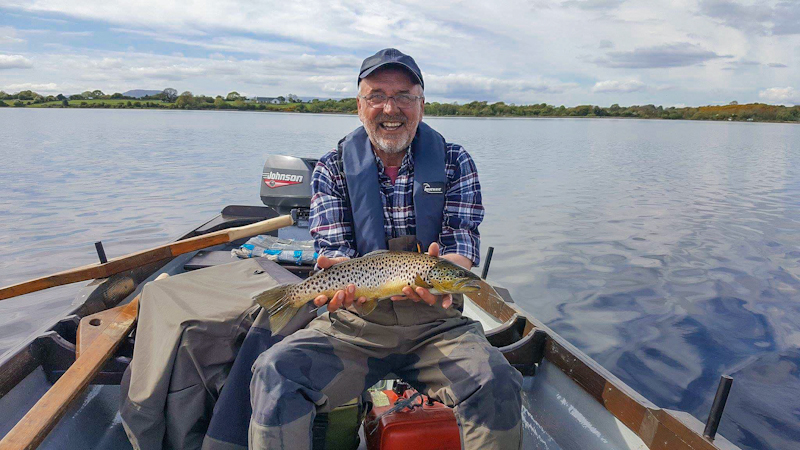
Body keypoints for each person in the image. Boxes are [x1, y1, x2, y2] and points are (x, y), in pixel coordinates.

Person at [249, 48, 523, 450]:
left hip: (436, 324)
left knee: (496, 380)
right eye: (377, 95)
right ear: (360, 106)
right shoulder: (332, 167)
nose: (390, 107)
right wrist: (336, 278)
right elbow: (335, 248)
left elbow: (461, 240)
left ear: (421, 105)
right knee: (276, 372)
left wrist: (447, 273)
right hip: (354, 324)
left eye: (404, 96)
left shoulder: (454, 161)